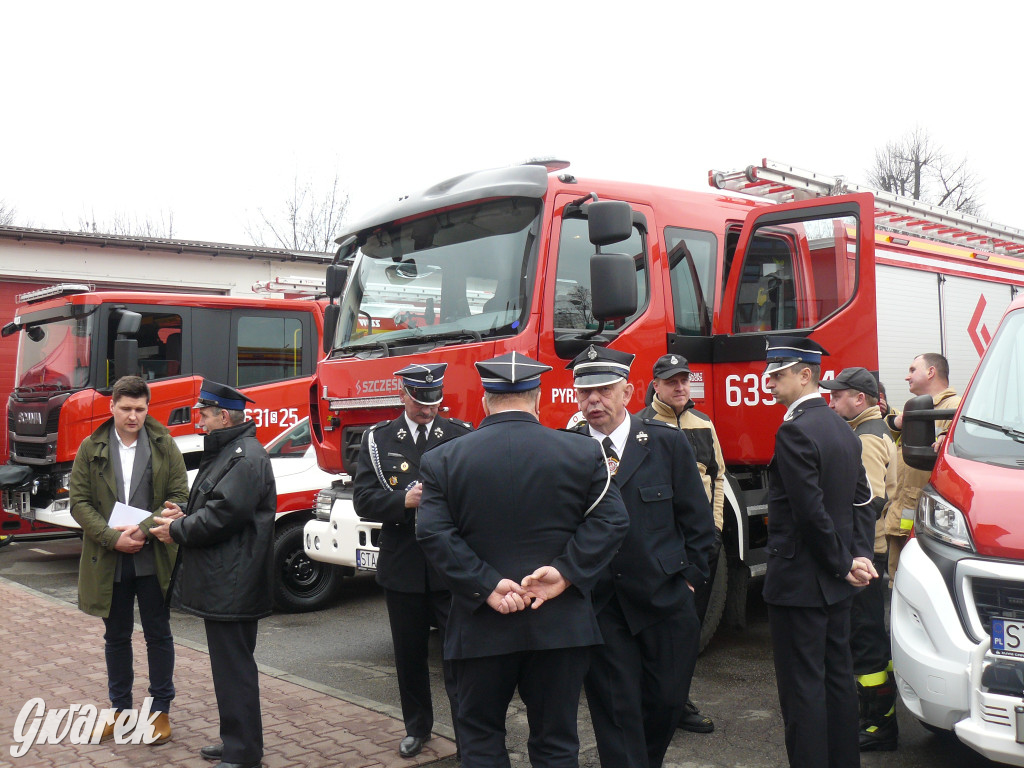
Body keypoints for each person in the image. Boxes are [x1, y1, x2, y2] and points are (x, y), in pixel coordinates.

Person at [416, 351, 630, 768]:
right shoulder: (583, 452)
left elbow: (433, 533)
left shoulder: (442, 458)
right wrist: (566, 572)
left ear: (485, 400)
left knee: (480, 742)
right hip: (559, 625)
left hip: (480, 626)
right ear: (537, 398)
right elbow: (612, 521)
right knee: (556, 743)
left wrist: (487, 584)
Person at [571, 345, 715, 768]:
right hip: (601, 607)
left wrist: (689, 581)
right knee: (616, 713)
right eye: (585, 392)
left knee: (667, 702)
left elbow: (698, 523)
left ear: (628, 392)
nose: (593, 400)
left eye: (604, 390)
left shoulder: (666, 444)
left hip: (665, 599)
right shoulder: (567, 449)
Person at [762, 337, 875, 768]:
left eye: (778, 373)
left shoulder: (795, 429)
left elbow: (809, 514)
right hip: (835, 584)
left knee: (802, 691)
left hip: (800, 585)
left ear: (804, 374)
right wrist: (857, 557)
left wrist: (844, 561)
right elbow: (862, 501)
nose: (769, 381)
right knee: (837, 683)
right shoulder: (841, 429)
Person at [151, 380, 276, 768]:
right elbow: (217, 507)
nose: (199, 421)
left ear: (223, 416)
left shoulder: (245, 456)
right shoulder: (233, 452)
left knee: (235, 670)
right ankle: (236, 739)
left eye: (204, 415)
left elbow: (223, 517)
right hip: (227, 579)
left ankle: (243, 753)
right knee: (229, 669)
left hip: (233, 582)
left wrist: (175, 530)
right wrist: (184, 515)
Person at [353, 362, 472, 758]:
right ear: (403, 395)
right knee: (409, 656)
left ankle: (466, 729)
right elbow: (363, 500)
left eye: (435, 401)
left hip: (448, 566)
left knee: (459, 655)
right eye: (421, 402)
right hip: (403, 566)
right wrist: (403, 500)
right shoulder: (378, 439)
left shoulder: (459, 435)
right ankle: (418, 728)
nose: (428, 409)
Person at [69, 375, 189, 745]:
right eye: (126, 409)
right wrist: (110, 538)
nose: (133, 416)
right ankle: (119, 710)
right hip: (110, 559)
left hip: (153, 555)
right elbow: (79, 502)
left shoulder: (165, 444)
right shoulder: (91, 447)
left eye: (139, 409)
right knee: (116, 637)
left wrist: (141, 528)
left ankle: (159, 713)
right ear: (112, 407)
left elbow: (179, 496)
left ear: (147, 408)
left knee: (158, 634)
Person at [635, 352, 724, 734]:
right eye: (672, 381)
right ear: (655, 385)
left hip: (699, 545)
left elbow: (719, 477)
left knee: (688, 633)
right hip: (661, 549)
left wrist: (716, 529)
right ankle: (648, 702)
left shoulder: (703, 422)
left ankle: (678, 699)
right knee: (654, 633)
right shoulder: (640, 425)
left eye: (685, 380)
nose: (681, 386)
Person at [820, 367, 899, 751]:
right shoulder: (874, 430)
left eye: (838, 396)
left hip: (866, 553)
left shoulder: (866, 438)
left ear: (860, 399)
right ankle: (877, 718)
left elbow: (867, 503)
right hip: (874, 551)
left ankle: (878, 726)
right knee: (870, 638)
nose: (832, 402)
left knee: (865, 639)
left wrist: (854, 556)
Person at [883, 353, 961, 581]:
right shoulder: (918, 409)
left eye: (912, 369)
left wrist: (945, 438)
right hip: (905, 506)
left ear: (931, 372)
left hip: (924, 515)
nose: (907, 377)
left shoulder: (954, 407)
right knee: (900, 577)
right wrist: (897, 423)